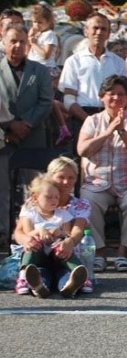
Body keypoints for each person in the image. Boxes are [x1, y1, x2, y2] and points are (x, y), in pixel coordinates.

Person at [77, 75, 127, 273]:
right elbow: (82, 150)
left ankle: (123, 252)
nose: (116, 98)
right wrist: (108, 131)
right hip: (98, 182)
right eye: (111, 94)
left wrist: (122, 132)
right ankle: (99, 252)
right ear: (102, 97)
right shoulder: (92, 121)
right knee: (86, 200)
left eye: (121, 94)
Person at [0, 25, 54, 240]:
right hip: (3, 137)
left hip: (33, 136)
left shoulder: (39, 70)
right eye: (13, 41)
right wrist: (10, 125)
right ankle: (4, 234)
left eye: (22, 41)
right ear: (3, 43)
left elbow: (46, 101)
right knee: (2, 190)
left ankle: (35, 233)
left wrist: (26, 125)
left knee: (35, 189)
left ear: (28, 45)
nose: (17, 46)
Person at [12, 157, 93, 295]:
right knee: (40, 274)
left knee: (65, 273)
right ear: (50, 177)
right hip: (39, 254)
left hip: (63, 255)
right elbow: (19, 232)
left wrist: (69, 241)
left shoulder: (80, 205)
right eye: (61, 177)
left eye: (71, 177)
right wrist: (28, 240)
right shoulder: (32, 204)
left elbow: (77, 231)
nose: (66, 182)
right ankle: (35, 284)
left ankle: (71, 285)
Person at [59, 13, 127, 142]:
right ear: (86, 31)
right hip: (83, 117)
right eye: (95, 28)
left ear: (109, 34)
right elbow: (68, 99)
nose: (99, 32)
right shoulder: (73, 61)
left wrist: (115, 120)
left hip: (113, 117)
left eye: (103, 29)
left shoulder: (118, 62)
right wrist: (89, 120)